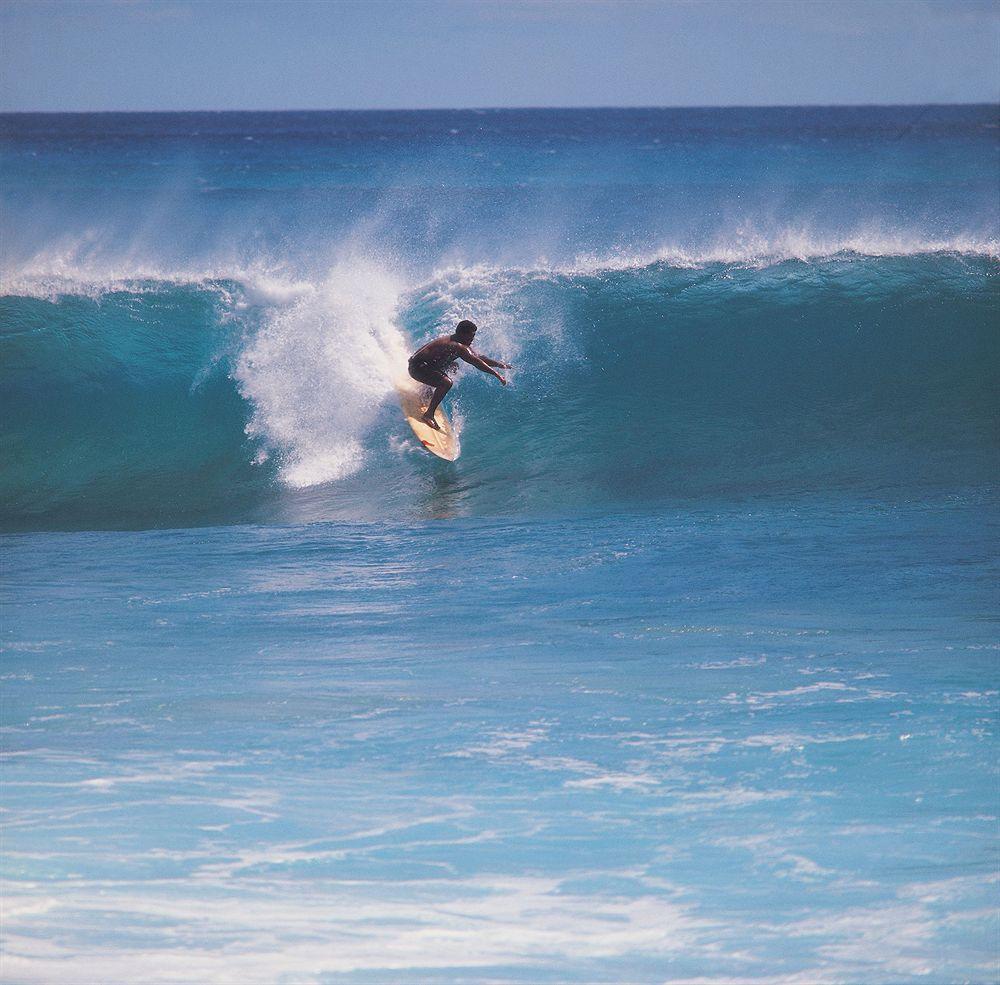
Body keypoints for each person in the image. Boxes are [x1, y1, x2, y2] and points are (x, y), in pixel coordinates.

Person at [407, 320, 510, 430]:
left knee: (453, 366)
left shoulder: (456, 340)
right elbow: (476, 363)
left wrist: (499, 364)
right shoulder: (456, 346)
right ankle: (428, 415)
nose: (472, 339)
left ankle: (425, 389)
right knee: (446, 383)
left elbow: (478, 357)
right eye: (471, 337)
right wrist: (497, 375)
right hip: (416, 368)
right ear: (462, 334)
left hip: (422, 366)